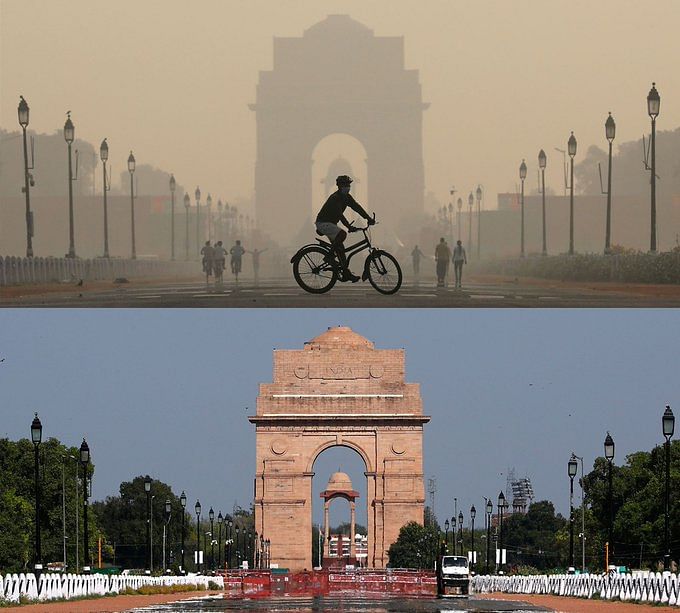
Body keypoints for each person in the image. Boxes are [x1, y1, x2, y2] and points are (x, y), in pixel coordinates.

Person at [315, 175, 374, 282]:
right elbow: (340, 215)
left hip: (331, 224)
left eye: (349, 185)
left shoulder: (347, 197)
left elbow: (357, 208)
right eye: (345, 185)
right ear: (339, 186)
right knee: (342, 234)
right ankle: (329, 257)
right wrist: (349, 227)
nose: (348, 187)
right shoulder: (335, 198)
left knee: (341, 251)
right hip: (323, 223)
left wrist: (368, 218)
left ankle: (346, 274)